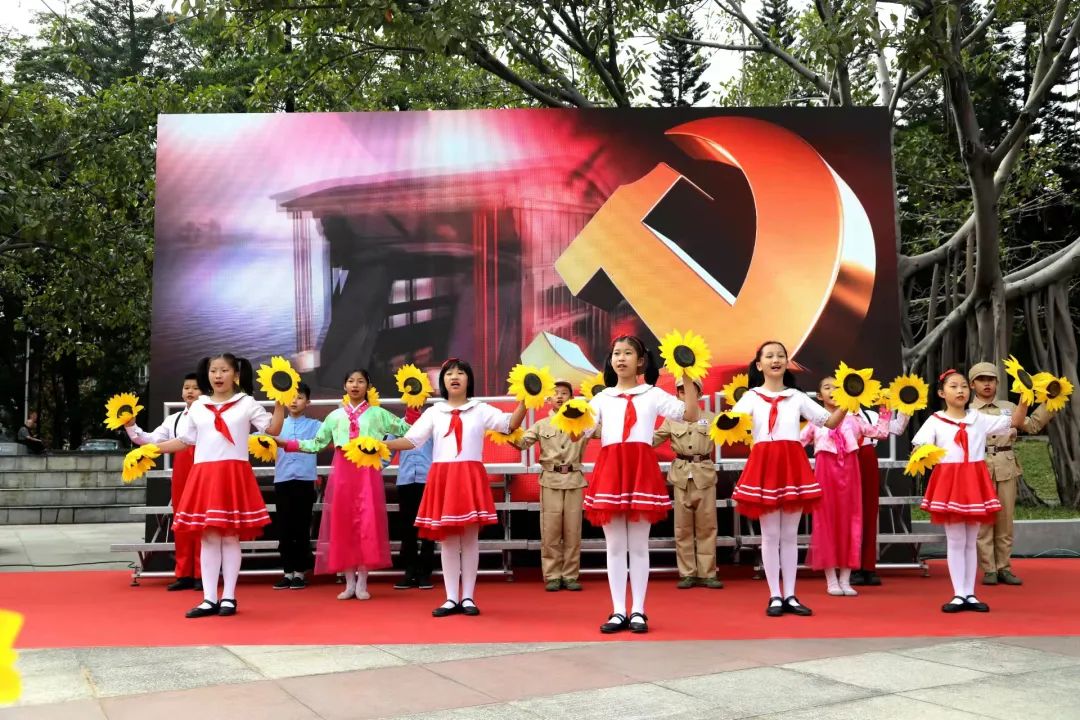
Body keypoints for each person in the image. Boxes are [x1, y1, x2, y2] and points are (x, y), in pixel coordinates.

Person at [385, 358, 527, 618]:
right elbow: (412, 440)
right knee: (449, 541)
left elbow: (510, 424)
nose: (455, 377)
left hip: (470, 476)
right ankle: (451, 598)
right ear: (443, 381)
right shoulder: (434, 412)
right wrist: (382, 445)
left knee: (470, 540)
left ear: (468, 379)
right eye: (449, 373)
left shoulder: (480, 409)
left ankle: (469, 596)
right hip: (443, 477)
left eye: (461, 372)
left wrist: (526, 400)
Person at [151, 353, 286, 618]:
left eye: (224, 370)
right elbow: (185, 441)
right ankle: (209, 598)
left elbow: (273, 430)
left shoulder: (246, 403)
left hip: (233, 474)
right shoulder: (199, 406)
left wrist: (280, 402)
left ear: (235, 374)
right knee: (209, 537)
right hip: (204, 475)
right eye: (214, 370)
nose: (218, 376)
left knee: (230, 536)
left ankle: (229, 597)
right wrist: (151, 449)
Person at [585, 335, 700, 635]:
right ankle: (618, 610)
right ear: (611, 360)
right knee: (614, 546)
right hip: (611, 469)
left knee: (638, 545)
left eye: (628, 353)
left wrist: (686, 373)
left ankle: (638, 609)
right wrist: (571, 417)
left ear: (640, 361)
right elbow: (580, 431)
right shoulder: (601, 398)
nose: (621, 358)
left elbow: (690, 414)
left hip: (640, 468)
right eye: (616, 353)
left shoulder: (653, 394)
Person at [730, 340, 847, 618]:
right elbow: (731, 424)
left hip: (792, 464)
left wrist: (849, 400)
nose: (776, 360)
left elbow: (829, 422)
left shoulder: (796, 397)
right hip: (765, 465)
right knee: (770, 535)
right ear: (759, 365)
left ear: (786, 362)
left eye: (781, 356)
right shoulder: (751, 397)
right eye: (769, 356)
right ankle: (774, 595)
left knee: (790, 535)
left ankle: (791, 595)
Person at [282, 369, 410, 600]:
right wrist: (287, 444)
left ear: (368, 386)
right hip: (342, 471)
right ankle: (349, 582)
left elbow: (406, 430)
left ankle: (362, 582)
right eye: (351, 381)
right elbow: (317, 443)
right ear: (344, 386)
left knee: (367, 523)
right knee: (343, 524)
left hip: (367, 471)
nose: (355, 385)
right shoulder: (335, 416)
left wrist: (411, 415)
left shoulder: (379, 414)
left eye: (360, 381)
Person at [911, 368, 1029, 613]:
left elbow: (1015, 421)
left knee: (971, 540)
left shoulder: (978, 418)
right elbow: (919, 448)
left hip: (975, 479)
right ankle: (958, 594)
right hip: (950, 481)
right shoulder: (935, 420)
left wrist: (1026, 397)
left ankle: (970, 594)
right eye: (953, 386)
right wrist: (921, 453)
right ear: (942, 393)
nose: (960, 390)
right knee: (956, 539)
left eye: (964, 386)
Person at [801, 376, 895, 597]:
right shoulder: (816, 422)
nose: (833, 390)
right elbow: (797, 443)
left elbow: (881, 433)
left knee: (851, 523)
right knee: (826, 524)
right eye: (827, 387)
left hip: (851, 476)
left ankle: (845, 579)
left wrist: (885, 409)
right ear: (819, 396)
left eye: (837, 387)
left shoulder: (855, 420)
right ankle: (831, 580)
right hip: (825, 476)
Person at [968, 362, 1052, 587]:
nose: (987, 384)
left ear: (997, 382)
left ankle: (1004, 567)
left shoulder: (1008, 406)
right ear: (972, 384)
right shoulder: (967, 411)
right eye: (981, 379)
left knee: (1005, 520)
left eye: (991, 379)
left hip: (1006, 466)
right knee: (984, 521)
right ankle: (989, 569)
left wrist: (1051, 403)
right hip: (979, 467)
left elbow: (1032, 426)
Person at [125, 373, 203, 591]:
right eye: (186, 387)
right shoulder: (174, 419)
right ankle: (184, 574)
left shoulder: (210, 417)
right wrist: (131, 426)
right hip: (181, 471)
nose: (190, 391)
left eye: (195, 388)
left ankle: (202, 574)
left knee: (202, 523)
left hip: (204, 469)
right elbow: (149, 440)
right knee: (181, 521)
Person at [514, 379, 589, 592]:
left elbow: (605, 432)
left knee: (573, 531)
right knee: (551, 530)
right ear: (548, 399)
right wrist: (505, 431)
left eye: (564, 393)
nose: (559, 396)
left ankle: (571, 575)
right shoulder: (541, 425)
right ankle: (553, 575)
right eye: (555, 393)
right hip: (550, 480)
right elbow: (522, 443)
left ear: (571, 398)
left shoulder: (584, 422)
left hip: (574, 480)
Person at [653, 378, 723, 590]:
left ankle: (707, 573)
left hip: (704, 474)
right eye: (681, 390)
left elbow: (734, 433)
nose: (686, 394)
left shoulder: (712, 418)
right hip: (681, 475)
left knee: (707, 526)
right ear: (677, 395)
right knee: (682, 527)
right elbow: (652, 440)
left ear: (699, 394)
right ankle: (687, 573)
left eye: (691, 390)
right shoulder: (671, 420)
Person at [270, 382, 322, 590]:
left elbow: (329, 436)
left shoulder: (315, 425)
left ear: (308, 402)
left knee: (301, 527)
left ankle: (300, 572)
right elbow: (259, 440)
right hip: (282, 480)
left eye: (299, 397)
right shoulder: (276, 425)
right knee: (284, 528)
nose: (294, 401)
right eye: (291, 396)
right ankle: (287, 572)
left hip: (304, 481)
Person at [391, 429, 436, 591]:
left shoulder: (432, 423)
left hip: (429, 480)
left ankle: (425, 573)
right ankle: (409, 571)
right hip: (405, 480)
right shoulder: (396, 426)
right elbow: (385, 453)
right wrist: (366, 467)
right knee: (407, 529)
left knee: (428, 528)